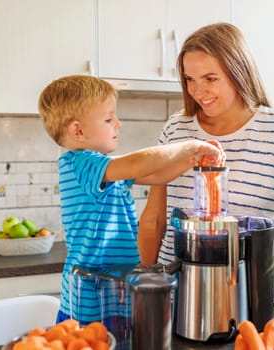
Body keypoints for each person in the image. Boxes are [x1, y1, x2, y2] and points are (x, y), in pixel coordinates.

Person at [138, 22, 274, 307]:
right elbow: (154, 218)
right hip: (176, 301)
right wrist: (144, 283)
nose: (198, 90)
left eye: (210, 78)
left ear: (238, 70)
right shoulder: (176, 130)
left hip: (251, 304)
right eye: (189, 79)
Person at [37, 75, 225, 325]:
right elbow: (139, 163)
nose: (118, 123)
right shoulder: (80, 164)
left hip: (114, 289)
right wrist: (190, 146)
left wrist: (191, 161)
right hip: (90, 299)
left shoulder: (106, 170)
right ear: (78, 131)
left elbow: (156, 175)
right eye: (108, 118)